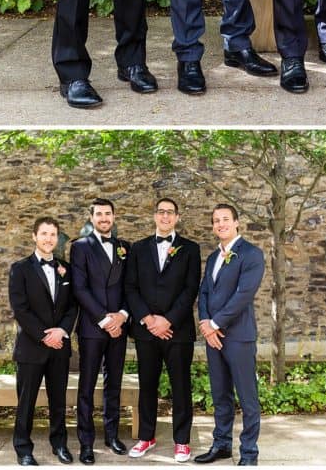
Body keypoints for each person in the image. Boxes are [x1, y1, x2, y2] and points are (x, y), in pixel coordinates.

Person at [124, 199, 202, 463]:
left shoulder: (190, 249)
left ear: (177, 217)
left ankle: (182, 441)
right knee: (147, 385)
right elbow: (130, 287)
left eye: (170, 212)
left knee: (181, 387)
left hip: (177, 331)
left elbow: (190, 289)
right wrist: (148, 319)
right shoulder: (138, 248)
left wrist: (167, 320)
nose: (165, 216)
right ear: (154, 216)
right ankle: (146, 436)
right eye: (161, 212)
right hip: (146, 332)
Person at [195, 204, 266, 466]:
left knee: (247, 397)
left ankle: (249, 453)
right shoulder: (214, 257)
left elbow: (244, 295)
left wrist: (215, 323)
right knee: (220, 394)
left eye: (225, 219)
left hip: (238, 337)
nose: (220, 224)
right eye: (216, 220)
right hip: (214, 338)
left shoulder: (251, 254)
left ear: (237, 223)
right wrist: (204, 323)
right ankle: (222, 444)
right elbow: (204, 292)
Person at [8, 216, 77, 466]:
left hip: (60, 347)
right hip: (31, 348)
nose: (49, 239)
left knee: (58, 401)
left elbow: (72, 306)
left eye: (53, 234)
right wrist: (44, 336)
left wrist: (62, 331)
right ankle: (23, 449)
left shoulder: (66, 269)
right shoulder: (20, 268)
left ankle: (59, 444)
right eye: (44, 234)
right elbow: (20, 309)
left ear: (57, 238)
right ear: (34, 237)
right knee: (26, 403)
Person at [69, 198, 131, 464]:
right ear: (91, 218)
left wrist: (123, 316)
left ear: (114, 217)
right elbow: (79, 288)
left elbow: (131, 287)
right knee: (87, 386)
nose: (104, 218)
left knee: (114, 384)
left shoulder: (124, 248)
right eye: (99, 214)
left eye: (108, 214)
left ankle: (112, 435)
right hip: (93, 328)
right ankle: (86, 443)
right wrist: (105, 321)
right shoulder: (80, 247)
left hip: (120, 326)